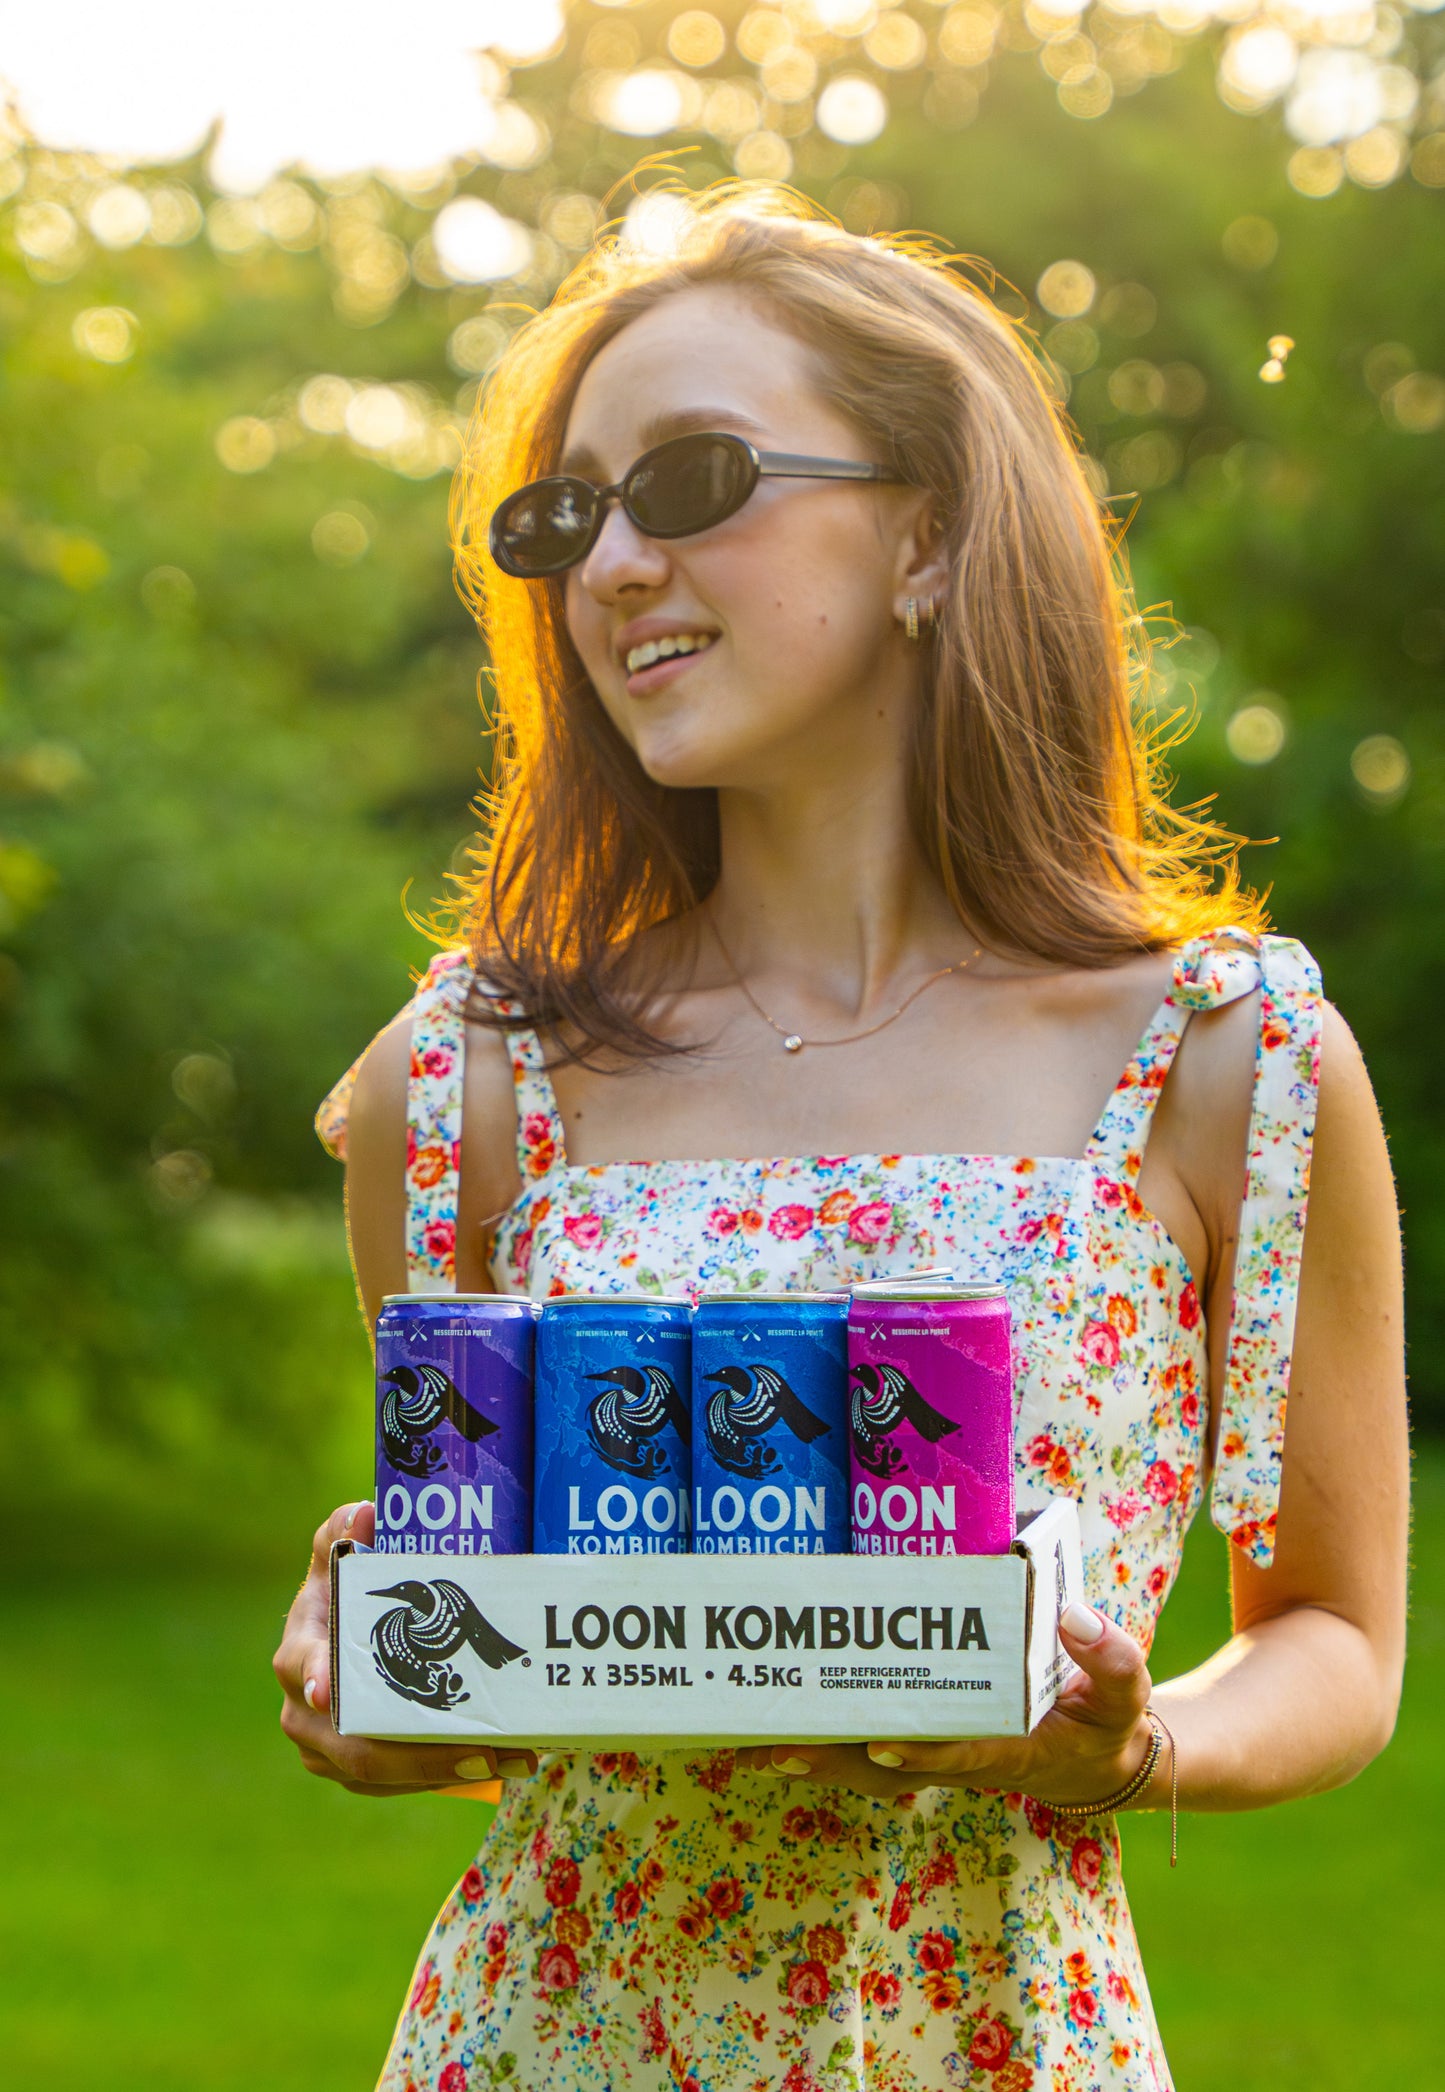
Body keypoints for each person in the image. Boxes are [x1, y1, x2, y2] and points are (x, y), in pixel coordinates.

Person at [273, 191, 1408, 2092]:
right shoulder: (460, 1083)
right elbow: (514, 1678)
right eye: (569, 520)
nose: (613, 562)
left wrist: (1124, 1750)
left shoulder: (1228, 1059)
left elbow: (1337, 1644)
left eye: (691, 479)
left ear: (930, 533)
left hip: (992, 2034)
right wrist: (386, 1676)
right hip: (553, 2039)